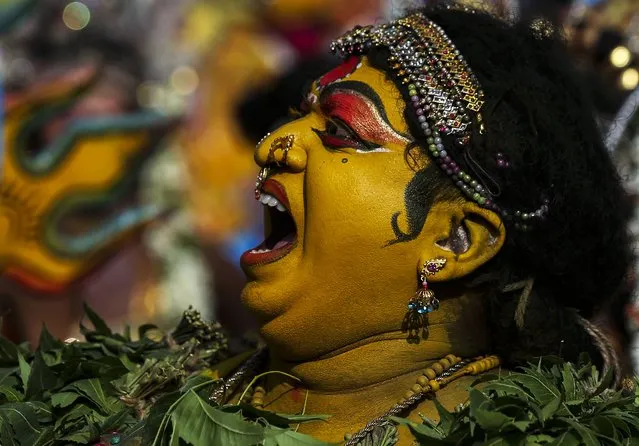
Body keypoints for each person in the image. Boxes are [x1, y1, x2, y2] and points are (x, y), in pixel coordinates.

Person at [213, 2, 634, 444]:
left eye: (340, 130)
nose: (274, 144)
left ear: (456, 240)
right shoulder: (155, 393)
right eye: (301, 114)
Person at [0, 0, 178, 345]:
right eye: (69, 120)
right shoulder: (15, 233)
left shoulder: (170, 224)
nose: (86, 144)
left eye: (105, 125)